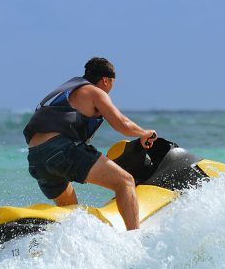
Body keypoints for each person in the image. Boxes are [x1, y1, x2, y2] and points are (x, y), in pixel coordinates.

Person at [23, 57, 157, 231]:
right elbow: (122, 124)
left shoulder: (68, 91)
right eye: (112, 83)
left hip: (35, 159)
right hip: (59, 150)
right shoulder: (94, 92)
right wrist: (144, 133)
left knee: (68, 209)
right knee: (125, 182)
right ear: (105, 80)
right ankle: (135, 237)